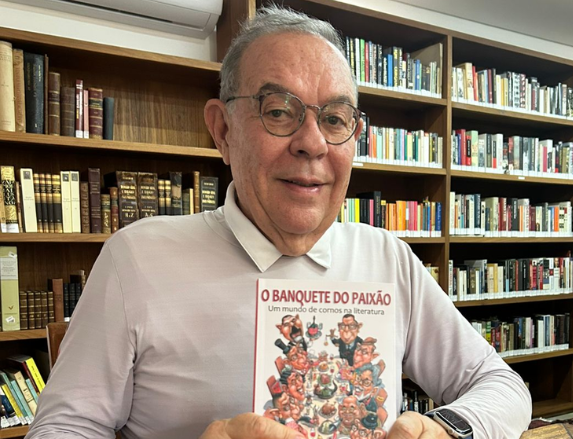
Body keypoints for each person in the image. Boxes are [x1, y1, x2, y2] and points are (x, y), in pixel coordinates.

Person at [26, 5, 532, 439]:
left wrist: (450, 429)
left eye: (334, 119)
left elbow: (503, 386)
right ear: (223, 131)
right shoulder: (136, 259)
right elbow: (60, 428)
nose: (312, 143)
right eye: (278, 111)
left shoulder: (388, 258)